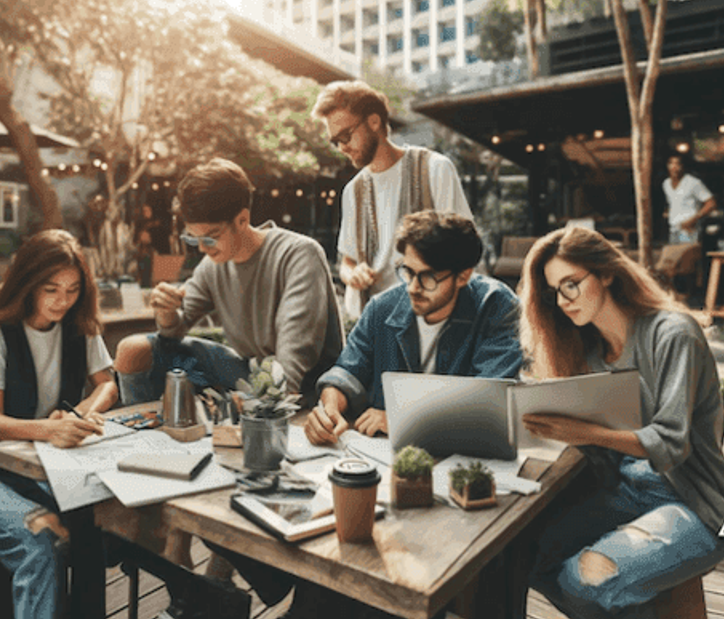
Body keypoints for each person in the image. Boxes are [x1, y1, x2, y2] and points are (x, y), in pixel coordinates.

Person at [517, 226, 724, 618]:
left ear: (606, 273)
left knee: (585, 580)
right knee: (518, 554)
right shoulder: (588, 353)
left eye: (572, 284)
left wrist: (584, 432)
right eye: (554, 292)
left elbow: (670, 443)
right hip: (626, 494)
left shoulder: (673, 334)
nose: (564, 302)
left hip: (695, 505)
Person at [0, 229, 119, 619]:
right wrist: (50, 429)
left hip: (36, 465)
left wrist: (80, 414)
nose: (62, 301)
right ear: (27, 283)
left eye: (72, 290)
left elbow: (108, 384)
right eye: (51, 289)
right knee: (40, 543)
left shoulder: (78, 326)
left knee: (92, 527)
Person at [114, 157, 343, 407]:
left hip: (305, 387)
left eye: (211, 237)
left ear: (242, 220)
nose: (202, 248)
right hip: (249, 372)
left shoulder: (298, 254)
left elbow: (291, 365)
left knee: (267, 385)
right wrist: (167, 312)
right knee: (133, 350)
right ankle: (138, 429)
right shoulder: (213, 266)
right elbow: (172, 334)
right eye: (194, 238)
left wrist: (256, 408)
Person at [306, 210, 522, 444]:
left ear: (463, 276)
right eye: (407, 271)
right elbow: (347, 371)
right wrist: (329, 407)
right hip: (381, 454)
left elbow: (491, 399)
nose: (412, 288)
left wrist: (404, 420)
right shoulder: (381, 307)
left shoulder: (496, 305)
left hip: (463, 457)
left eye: (428, 277)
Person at [313, 81, 472, 319]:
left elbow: (463, 249)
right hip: (370, 323)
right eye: (335, 141)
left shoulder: (435, 169)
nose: (342, 148)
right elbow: (347, 263)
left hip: (427, 321)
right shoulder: (352, 191)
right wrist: (353, 274)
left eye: (346, 135)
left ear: (374, 122)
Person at [662, 155, 717, 244]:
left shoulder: (693, 183)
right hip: (673, 229)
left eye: (678, 164)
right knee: (674, 257)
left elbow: (711, 203)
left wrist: (694, 219)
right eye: (671, 163)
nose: (674, 167)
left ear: (683, 166)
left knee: (685, 255)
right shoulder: (666, 184)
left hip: (688, 231)